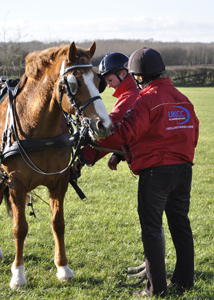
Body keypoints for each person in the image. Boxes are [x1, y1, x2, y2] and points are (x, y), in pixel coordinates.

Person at [81, 47, 199, 297]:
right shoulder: (182, 98)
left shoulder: (146, 99)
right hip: (184, 170)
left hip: (156, 174)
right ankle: (184, 282)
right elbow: (193, 133)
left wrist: (96, 134)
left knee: (152, 229)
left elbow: (125, 133)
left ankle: (155, 289)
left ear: (139, 76)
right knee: (181, 226)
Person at [80, 52, 139, 167]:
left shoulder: (129, 97)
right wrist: (119, 155)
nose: (109, 86)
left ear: (123, 73)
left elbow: (109, 133)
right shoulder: (134, 92)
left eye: (110, 80)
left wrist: (83, 157)